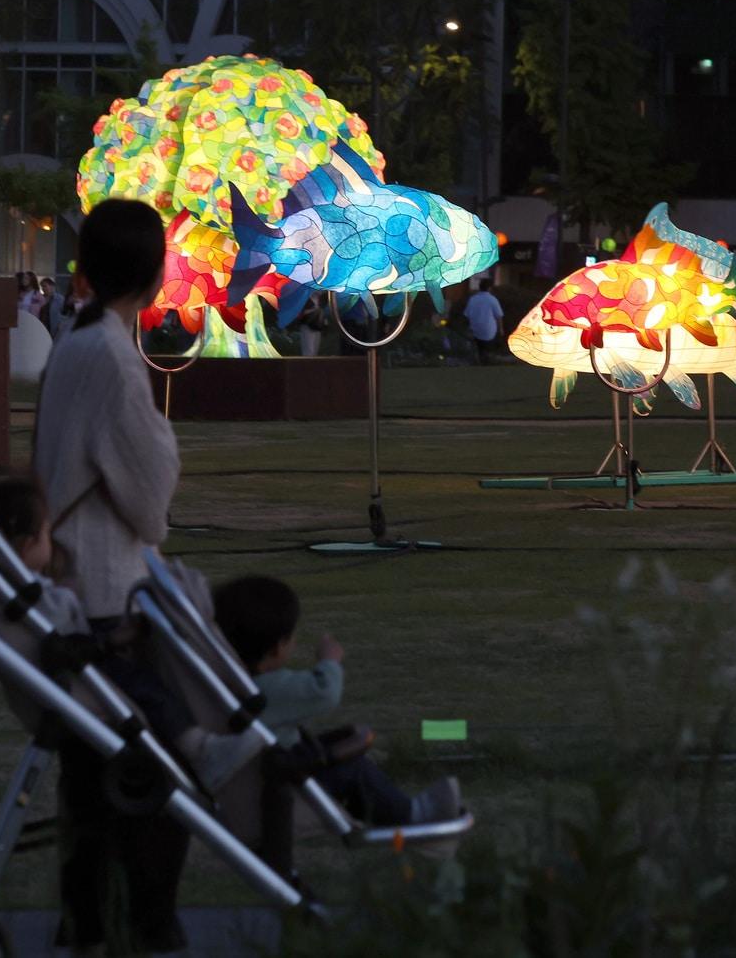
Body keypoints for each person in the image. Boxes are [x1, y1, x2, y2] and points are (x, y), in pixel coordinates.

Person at [32, 198, 259, 955]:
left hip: (79, 591)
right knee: (153, 787)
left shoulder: (76, 340)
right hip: (104, 600)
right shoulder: (114, 363)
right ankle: (143, 927)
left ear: (84, 269)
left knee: (93, 798)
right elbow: (151, 503)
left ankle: (91, 926)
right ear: (158, 274)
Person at [214, 575, 462, 827]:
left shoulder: (221, 685)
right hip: (278, 786)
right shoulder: (266, 689)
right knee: (354, 768)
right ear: (278, 648)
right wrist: (329, 660)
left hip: (256, 778)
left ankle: (375, 809)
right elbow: (324, 692)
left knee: (346, 757)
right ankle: (411, 815)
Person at [465, 277, 504, 365]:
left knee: (479, 349)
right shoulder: (492, 299)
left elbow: (467, 314)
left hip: (475, 329)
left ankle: (480, 361)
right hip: (489, 330)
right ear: (489, 288)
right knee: (488, 349)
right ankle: (487, 361)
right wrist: (500, 329)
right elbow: (499, 316)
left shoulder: (473, 299)